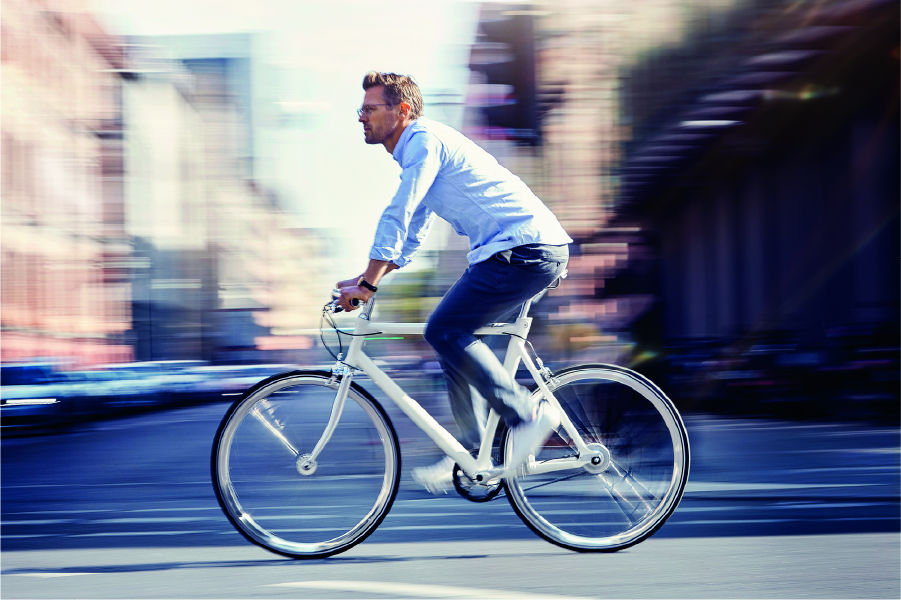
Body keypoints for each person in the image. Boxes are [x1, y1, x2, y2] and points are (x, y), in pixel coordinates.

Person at [336, 71, 572, 494]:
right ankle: (472, 450)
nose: (361, 118)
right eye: (361, 110)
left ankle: (529, 417)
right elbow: (412, 234)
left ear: (402, 111)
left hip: (523, 249)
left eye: (369, 109)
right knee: (451, 341)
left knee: (445, 329)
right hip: (513, 251)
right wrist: (368, 276)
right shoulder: (416, 151)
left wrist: (369, 285)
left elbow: (400, 210)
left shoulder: (424, 141)